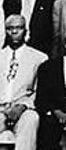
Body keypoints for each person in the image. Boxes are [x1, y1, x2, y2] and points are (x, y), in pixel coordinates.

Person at [0, 15, 47, 150]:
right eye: (10, 28)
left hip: (24, 108)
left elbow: (40, 91)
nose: (14, 32)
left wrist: (23, 106)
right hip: (1, 108)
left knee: (31, 119)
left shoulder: (39, 58)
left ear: (26, 31)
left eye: (18, 28)